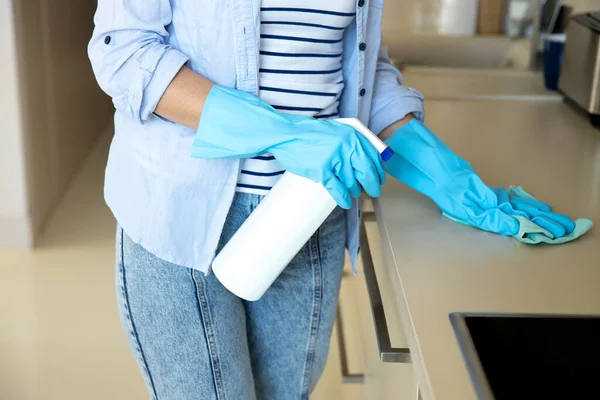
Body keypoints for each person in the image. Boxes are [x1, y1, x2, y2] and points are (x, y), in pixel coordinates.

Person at [88, 1, 423, 399]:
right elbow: (124, 50)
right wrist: (283, 133)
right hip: (181, 214)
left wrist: (441, 168)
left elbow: (360, 59)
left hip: (308, 214)